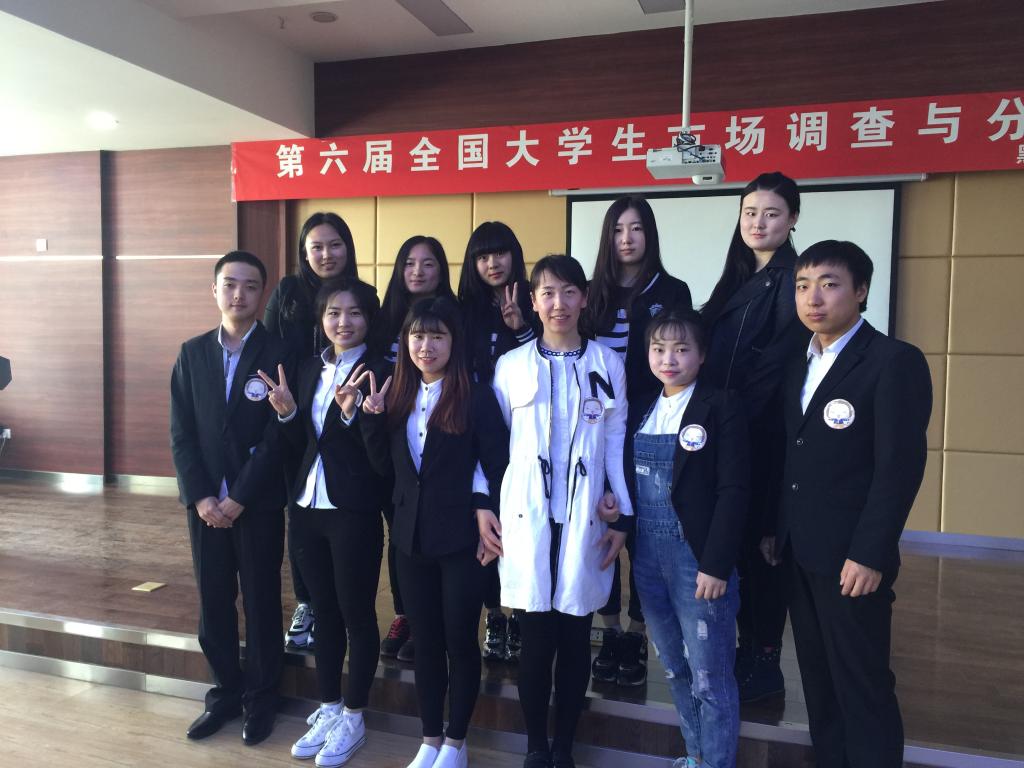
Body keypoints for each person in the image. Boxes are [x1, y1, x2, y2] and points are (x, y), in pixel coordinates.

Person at [776, 240, 931, 768]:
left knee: (862, 684)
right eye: (803, 286)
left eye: (829, 284)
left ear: (861, 291)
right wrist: (777, 529)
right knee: (818, 682)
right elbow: (793, 454)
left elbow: (898, 469)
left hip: (852, 557)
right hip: (801, 551)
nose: (813, 298)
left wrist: (869, 552)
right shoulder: (799, 362)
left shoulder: (893, 361)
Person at [492, 255, 631, 768]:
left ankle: (565, 747)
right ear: (532, 301)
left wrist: (622, 514)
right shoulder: (511, 365)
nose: (559, 304)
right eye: (548, 293)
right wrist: (486, 508)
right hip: (527, 518)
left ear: (584, 298)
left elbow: (615, 440)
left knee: (575, 635)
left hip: (586, 517)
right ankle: (535, 747)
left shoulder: (607, 362)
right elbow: (496, 446)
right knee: (535, 639)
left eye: (569, 292)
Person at [360, 297, 509, 768]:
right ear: (405, 341)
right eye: (418, 336)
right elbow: (384, 469)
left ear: (454, 342)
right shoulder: (397, 396)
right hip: (410, 540)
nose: (426, 346)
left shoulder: (476, 396)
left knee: (459, 640)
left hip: (462, 539)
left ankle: (457, 741)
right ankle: (429, 738)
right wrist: (371, 418)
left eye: (437, 336)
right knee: (424, 642)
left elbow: (497, 463)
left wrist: (485, 508)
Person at [259, 278, 388, 767]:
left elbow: (382, 458)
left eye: (354, 313)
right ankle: (330, 705)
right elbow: (301, 444)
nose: (343, 322)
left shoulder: (382, 372)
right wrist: (288, 414)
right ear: (321, 319)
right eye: (334, 313)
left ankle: (354, 715)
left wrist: (354, 417)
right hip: (306, 507)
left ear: (369, 319)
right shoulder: (309, 367)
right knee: (323, 612)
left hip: (353, 509)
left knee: (357, 614)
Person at [169, 250, 291, 746]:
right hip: (205, 509)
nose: (239, 294)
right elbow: (182, 434)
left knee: (261, 603)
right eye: (230, 284)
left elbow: (279, 436)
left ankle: (262, 698)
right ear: (215, 290)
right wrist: (201, 497)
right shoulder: (191, 352)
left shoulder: (280, 351)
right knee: (214, 603)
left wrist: (240, 496)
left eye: (251, 286)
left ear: (263, 294)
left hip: (256, 505)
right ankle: (224, 693)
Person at [700, 172, 808, 702]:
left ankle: (765, 658)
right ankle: (747, 650)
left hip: (763, 434)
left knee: (765, 549)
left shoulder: (792, 280)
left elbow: (776, 367)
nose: (758, 223)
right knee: (739, 543)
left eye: (771, 213)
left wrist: (727, 417)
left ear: (792, 219)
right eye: (750, 213)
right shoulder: (741, 274)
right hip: (733, 430)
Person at [625, 308, 749, 768]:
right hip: (647, 558)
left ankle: (716, 763)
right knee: (674, 667)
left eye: (681, 349)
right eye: (659, 349)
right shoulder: (641, 407)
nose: (669, 359)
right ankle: (695, 756)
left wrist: (716, 564)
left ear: (702, 355)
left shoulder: (720, 405)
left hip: (697, 558)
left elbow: (734, 490)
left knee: (710, 677)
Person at [586, 196, 692, 687]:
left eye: (636, 228)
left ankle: (636, 631)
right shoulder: (591, 293)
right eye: (617, 229)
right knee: (601, 524)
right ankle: (608, 629)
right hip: (594, 430)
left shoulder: (672, 291)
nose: (626, 239)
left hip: (652, 428)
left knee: (645, 532)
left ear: (650, 234)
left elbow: (682, 363)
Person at [264, 211, 359, 652]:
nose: (326, 254)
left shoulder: (362, 293)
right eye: (316, 247)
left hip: (345, 415)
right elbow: (269, 346)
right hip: (294, 413)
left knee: (344, 514)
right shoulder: (287, 292)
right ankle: (309, 601)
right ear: (304, 253)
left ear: (348, 248)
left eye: (334, 244)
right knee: (299, 510)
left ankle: (339, 605)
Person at [372, 235, 458, 663]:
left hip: (441, 435)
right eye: (409, 263)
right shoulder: (383, 317)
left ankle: (439, 619)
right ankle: (407, 615)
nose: (418, 271)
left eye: (428, 263)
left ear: (442, 270)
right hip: (393, 434)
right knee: (399, 532)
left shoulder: (453, 315)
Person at [457, 220, 538, 662]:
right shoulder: (462, 309)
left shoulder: (533, 299)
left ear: (515, 256)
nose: (493, 263)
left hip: (524, 431)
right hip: (474, 428)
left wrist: (520, 326)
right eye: (483, 256)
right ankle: (495, 615)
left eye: (500, 253)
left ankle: (522, 611)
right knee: (483, 521)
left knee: (520, 521)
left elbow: (547, 358)